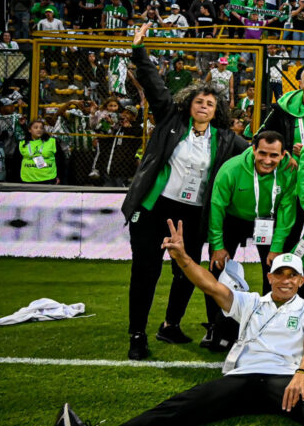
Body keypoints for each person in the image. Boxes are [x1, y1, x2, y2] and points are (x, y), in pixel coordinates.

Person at [64, 220, 304, 426]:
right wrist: (183, 258)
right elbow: (211, 287)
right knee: (183, 405)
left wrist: (301, 374)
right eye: (280, 274)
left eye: (292, 275)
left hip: (287, 377)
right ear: (270, 277)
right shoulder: (252, 302)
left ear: (301, 281)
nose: (286, 280)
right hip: (242, 377)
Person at [121, 23, 247, 360]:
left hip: (192, 215)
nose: (204, 105)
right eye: (199, 100)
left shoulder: (225, 139)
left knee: (187, 271)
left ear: (216, 109)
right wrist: (139, 50)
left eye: (210, 102)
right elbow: (155, 86)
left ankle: (170, 326)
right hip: (154, 209)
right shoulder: (170, 120)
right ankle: (137, 336)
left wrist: (288, 157)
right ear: (188, 103)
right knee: (145, 271)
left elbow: (257, 152)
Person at [204, 131, 297, 349]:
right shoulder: (231, 169)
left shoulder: (289, 171)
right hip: (233, 219)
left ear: (283, 154)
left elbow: (287, 210)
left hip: (267, 220)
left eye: (274, 155)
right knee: (217, 270)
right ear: (253, 149)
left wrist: (276, 248)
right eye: (262, 153)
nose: (267, 160)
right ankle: (215, 326)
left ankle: (266, 325)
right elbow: (216, 207)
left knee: (275, 271)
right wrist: (217, 245)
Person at [18, 119, 59, 184]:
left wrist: (59, 176)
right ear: (29, 130)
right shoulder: (22, 143)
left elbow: (60, 160)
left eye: (41, 128)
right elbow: (17, 162)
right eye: (35, 127)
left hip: (48, 178)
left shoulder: (52, 142)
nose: (39, 130)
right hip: (27, 178)